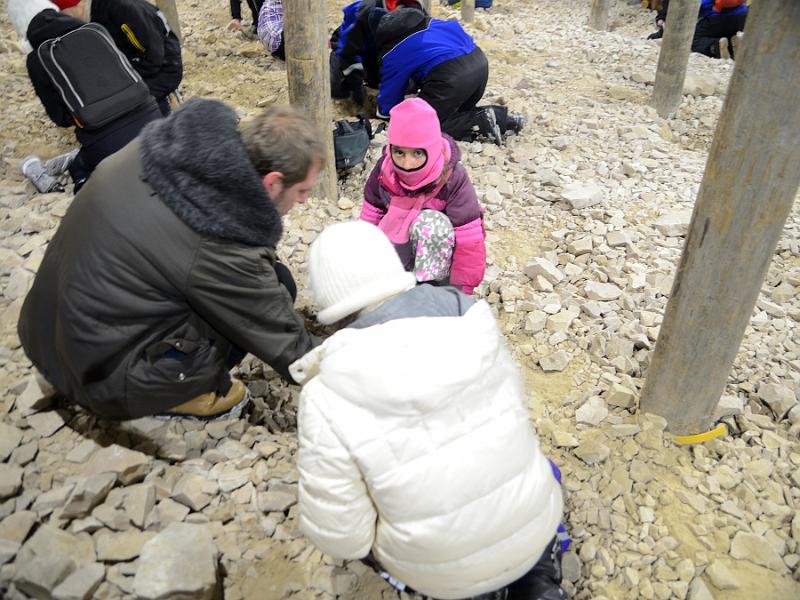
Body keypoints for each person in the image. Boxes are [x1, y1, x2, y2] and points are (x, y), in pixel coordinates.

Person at [290, 220, 567, 600]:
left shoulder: (325, 393)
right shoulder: (475, 323)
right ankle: (538, 583)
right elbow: (516, 413)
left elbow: (343, 539)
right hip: (533, 527)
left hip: (441, 572)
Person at [18, 98, 325, 420]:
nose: (304, 201)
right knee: (278, 285)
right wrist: (354, 373)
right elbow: (292, 350)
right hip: (99, 379)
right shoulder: (220, 235)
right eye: (302, 191)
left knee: (262, 279)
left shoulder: (160, 148)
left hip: (44, 333)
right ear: (273, 182)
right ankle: (183, 394)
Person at [10, 0, 162, 192]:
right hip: (153, 121)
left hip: (108, 143)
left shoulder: (36, 58)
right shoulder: (94, 28)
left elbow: (62, 119)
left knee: (80, 169)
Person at [360, 98, 486, 295]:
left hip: (436, 263)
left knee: (431, 222)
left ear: (432, 147)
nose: (407, 164)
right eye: (399, 152)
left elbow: (469, 236)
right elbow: (369, 219)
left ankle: (429, 291)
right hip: (395, 254)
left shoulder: (453, 178)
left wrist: (462, 292)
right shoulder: (385, 169)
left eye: (417, 153)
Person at [374, 8, 524, 144]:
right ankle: (505, 120)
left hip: (452, 77)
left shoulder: (393, 52)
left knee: (424, 124)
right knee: (454, 112)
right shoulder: (433, 23)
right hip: (480, 64)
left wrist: (384, 112)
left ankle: (481, 121)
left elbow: (388, 105)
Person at [53, 0, 183, 115]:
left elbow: (152, 54)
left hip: (164, 66)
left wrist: (124, 82)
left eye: (63, 14)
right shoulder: (93, 14)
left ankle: (165, 114)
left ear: (76, 5)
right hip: (139, 63)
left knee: (128, 107)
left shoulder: (119, 9)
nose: (65, 20)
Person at [330, 0, 427, 106]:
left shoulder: (418, 15)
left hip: (385, 56)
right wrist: (354, 77)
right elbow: (347, 49)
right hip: (360, 53)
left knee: (408, 88)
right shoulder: (363, 11)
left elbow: (421, 52)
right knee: (340, 90)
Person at [648, 0, 747, 59]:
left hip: (717, 20)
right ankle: (733, 42)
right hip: (742, 16)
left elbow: (684, 13)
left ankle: (715, 46)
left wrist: (662, 31)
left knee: (692, 40)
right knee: (713, 30)